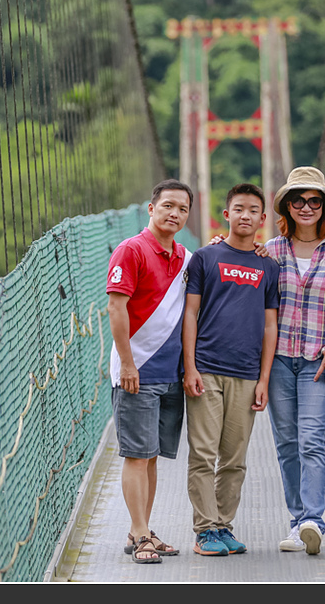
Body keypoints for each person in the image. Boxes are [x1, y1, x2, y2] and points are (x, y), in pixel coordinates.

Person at [262, 166, 325, 555]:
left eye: (314, 200)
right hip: (278, 362)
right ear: (287, 206)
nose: (306, 206)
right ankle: (296, 521)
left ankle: (313, 521)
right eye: (298, 200)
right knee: (286, 443)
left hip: (321, 360)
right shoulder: (270, 251)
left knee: (310, 439)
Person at [181, 183, 280, 556]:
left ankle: (223, 525)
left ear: (262, 219)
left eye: (253, 210)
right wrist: (189, 366)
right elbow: (190, 313)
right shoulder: (205, 258)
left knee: (235, 459)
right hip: (207, 367)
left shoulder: (268, 266)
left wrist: (264, 380)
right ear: (227, 214)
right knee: (204, 454)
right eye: (238, 209)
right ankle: (204, 530)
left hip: (246, 373)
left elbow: (270, 325)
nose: (245, 216)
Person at [106, 179, 194, 564]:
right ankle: (141, 534)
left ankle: (140, 528)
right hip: (137, 373)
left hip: (169, 373)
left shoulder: (185, 257)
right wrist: (127, 363)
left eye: (183, 209)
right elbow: (115, 307)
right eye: (168, 206)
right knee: (136, 456)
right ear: (151, 207)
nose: (174, 214)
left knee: (152, 455)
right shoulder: (131, 250)